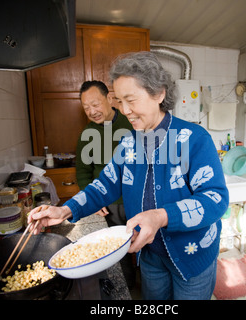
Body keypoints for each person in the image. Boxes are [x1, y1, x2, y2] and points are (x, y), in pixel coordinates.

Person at [29, 51, 229, 300]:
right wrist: (64, 211)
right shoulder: (129, 144)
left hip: (192, 256)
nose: (124, 110)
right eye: (119, 101)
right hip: (151, 256)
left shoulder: (194, 139)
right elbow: (104, 185)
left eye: (130, 100)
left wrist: (161, 216)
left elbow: (215, 199)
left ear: (159, 94)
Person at [75, 80, 135, 287]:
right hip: (109, 204)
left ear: (109, 98)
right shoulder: (86, 134)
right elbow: (83, 172)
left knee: (147, 246)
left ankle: (149, 289)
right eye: (86, 108)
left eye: (95, 104)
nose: (92, 111)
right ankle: (125, 289)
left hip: (137, 199)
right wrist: (92, 200)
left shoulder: (132, 123)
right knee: (117, 251)